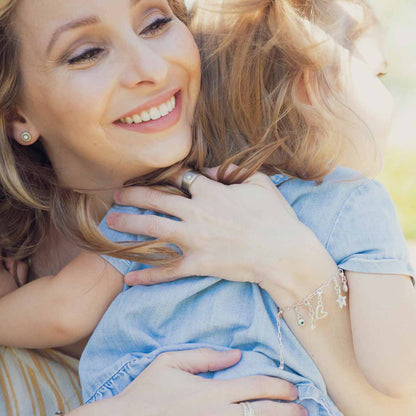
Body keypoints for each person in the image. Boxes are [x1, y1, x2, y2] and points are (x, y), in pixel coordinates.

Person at [0, 0, 415, 415]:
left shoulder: (162, 202)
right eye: (85, 53)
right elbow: (398, 381)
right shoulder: (352, 205)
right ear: (16, 113)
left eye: (157, 22)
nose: (153, 70)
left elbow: (64, 309)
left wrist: (302, 273)